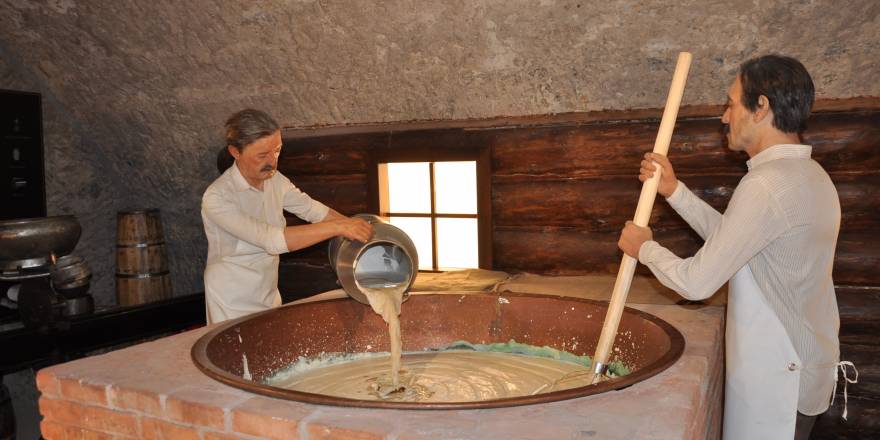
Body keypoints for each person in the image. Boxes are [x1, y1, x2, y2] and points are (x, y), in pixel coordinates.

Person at [618, 55, 842, 439]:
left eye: (731, 103)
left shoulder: (767, 185)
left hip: (780, 384)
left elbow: (696, 283)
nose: (725, 116)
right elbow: (736, 240)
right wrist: (675, 191)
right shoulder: (809, 175)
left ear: (761, 107)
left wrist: (645, 249)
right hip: (804, 374)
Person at [201, 109, 372, 324]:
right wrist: (339, 227)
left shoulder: (275, 179)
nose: (273, 161)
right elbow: (270, 240)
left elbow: (313, 210)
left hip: (268, 294)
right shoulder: (217, 197)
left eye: (277, 150)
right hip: (231, 300)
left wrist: (356, 229)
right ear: (235, 152)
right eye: (262, 155)